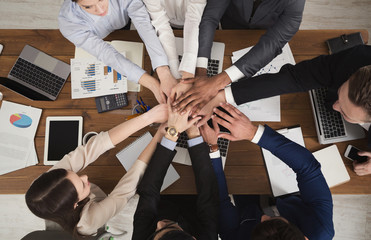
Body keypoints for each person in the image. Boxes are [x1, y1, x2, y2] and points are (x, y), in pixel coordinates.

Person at [197, 45, 371, 175]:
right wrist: (222, 97)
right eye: (341, 93)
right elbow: (294, 78)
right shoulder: (358, 59)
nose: (334, 106)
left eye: (346, 113)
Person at [25, 104, 168, 238]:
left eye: (75, 174)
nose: (86, 176)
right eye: (82, 184)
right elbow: (124, 191)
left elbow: (97, 145)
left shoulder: (49, 183)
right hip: (101, 208)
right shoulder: (88, 222)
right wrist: (159, 135)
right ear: (76, 204)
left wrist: (149, 117)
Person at [201, 103, 334, 240]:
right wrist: (252, 133)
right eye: (273, 219)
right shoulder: (321, 231)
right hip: (288, 200)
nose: (263, 217)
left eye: (264, 221)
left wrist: (213, 148)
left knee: (240, 182)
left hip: (246, 212)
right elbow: (308, 167)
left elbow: (221, 202)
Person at [171, 0, 305, 114]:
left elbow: (272, 44)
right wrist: (201, 73)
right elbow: (210, 17)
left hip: (261, 37)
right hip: (230, 28)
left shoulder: (295, 2)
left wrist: (217, 82)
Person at [132, 100, 219, 240]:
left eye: (155, 233)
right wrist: (194, 134)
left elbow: (148, 193)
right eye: (168, 226)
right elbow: (208, 194)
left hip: (162, 198)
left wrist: (172, 134)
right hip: (194, 203)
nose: (159, 223)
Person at [58, 0, 177, 101]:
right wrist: (153, 84)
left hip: (124, 20)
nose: (100, 10)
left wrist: (163, 72)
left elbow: (144, 25)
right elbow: (105, 53)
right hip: (101, 36)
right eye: (88, 7)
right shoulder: (68, 22)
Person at [142, 0, 206, 80]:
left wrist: (188, 70)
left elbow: (193, 19)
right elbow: (161, 23)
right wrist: (175, 73)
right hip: (167, 21)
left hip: (199, 22)